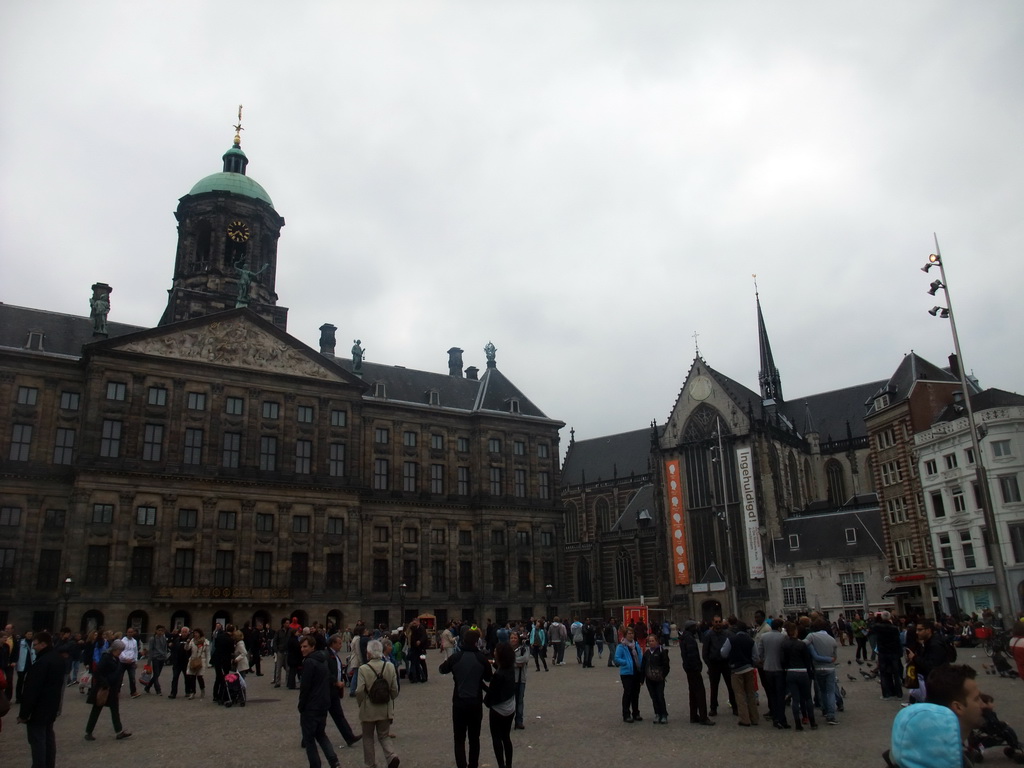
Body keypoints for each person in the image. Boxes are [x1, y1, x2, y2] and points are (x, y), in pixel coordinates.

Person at [439, 627, 492, 768]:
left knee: (459, 739)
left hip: (459, 703)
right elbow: (488, 677)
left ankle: (461, 766)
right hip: (475, 703)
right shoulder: (481, 658)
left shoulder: (456, 657)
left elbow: (442, 669)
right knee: (474, 739)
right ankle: (473, 765)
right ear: (476, 642)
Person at [17, 630, 66, 767]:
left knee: (38, 741)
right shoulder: (58, 659)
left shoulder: (42, 662)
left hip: (38, 709)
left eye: (36, 644)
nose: (34, 647)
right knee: (48, 738)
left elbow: (32, 690)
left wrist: (24, 714)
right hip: (51, 706)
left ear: (44, 644)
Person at [356, 639, 400, 768]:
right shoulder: (389, 666)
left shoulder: (363, 669)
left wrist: (361, 703)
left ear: (368, 653)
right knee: (384, 736)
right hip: (385, 707)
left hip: (368, 708)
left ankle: (371, 764)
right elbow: (394, 689)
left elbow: (359, 690)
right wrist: (391, 698)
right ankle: (392, 756)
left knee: (368, 737)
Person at [297, 635, 339, 768]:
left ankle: (315, 765)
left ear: (312, 647)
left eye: (305, 646)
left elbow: (305, 687)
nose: (302, 649)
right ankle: (334, 762)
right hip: (323, 703)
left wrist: (301, 705)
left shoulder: (309, 662)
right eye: (301, 646)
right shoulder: (322, 660)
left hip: (311, 705)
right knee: (321, 734)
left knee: (309, 739)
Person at [84, 639, 131, 741]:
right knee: (96, 709)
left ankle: (119, 731)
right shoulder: (106, 658)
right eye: (120, 650)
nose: (121, 652)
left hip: (113, 688)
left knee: (115, 710)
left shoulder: (116, 659)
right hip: (104, 687)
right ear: (115, 649)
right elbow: (97, 672)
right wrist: (104, 684)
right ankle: (88, 731)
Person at [326, 633, 361, 749]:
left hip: (334, 691)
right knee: (319, 716)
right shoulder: (327, 655)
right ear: (333, 644)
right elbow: (325, 672)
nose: (341, 645)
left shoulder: (334, 655)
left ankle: (349, 737)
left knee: (338, 715)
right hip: (327, 690)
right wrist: (335, 681)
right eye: (339, 643)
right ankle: (307, 738)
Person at [485, 641, 516, 768]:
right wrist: (492, 663)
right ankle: (508, 765)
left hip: (498, 709)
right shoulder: (509, 667)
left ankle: (501, 765)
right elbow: (500, 667)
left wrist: (481, 685)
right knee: (506, 737)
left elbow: (492, 693)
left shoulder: (499, 675)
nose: (494, 652)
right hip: (510, 706)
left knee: (496, 738)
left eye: (496, 651)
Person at [781, 621, 816, 730]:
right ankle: (812, 722)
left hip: (790, 672)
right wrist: (810, 674)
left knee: (795, 700)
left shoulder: (784, 645)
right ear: (795, 631)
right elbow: (807, 661)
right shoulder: (802, 644)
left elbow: (783, 661)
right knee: (807, 698)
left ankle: (797, 724)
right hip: (802, 672)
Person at [722, 623, 759, 726]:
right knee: (751, 694)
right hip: (749, 668)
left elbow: (723, 653)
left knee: (740, 695)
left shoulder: (731, 640)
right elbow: (756, 657)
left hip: (736, 670)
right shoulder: (751, 641)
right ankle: (754, 718)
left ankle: (745, 719)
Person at [804, 618, 839, 724]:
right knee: (830, 692)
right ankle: (831, 715)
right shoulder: (832, 639)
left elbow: (802, 644)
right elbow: (835, 656)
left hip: (818, 668)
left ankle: (824, 710)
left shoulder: (812, 636)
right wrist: (829, 659)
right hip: (830, 668)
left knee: (822, 691)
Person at [679, 620, 714, 726]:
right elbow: (692, 655)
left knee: (693, 692)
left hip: (689, 668)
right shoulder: (689, 638)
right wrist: (697, 667)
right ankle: (703, 717)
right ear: (690, 628)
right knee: (700, 693)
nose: (696, 628)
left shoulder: (685, 637)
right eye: (695, 627)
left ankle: (693, 715)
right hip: (693, 669)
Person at [702, 615, 737, 717]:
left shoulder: (727, 634)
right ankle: (713, 708)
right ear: (712, 623)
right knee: (714, 687)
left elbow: (732, 648)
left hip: (726, 663)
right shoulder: (708, 635)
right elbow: (705, 652)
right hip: (714, 664)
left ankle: (735, 706)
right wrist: (709, 664)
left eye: (719, 622)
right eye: (716, 622)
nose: (718, 624)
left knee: (731, 687)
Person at [614, 626, 645, 723]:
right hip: (627, 673)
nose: (631, 635)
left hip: (636, 671)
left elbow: (640, 656)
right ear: (625, 635)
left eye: (632, 633)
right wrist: (626, 662)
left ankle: (636, 712)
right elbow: (616, 658)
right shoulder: (621, 646)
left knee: (636, 693)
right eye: (629, 634)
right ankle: (626, 714)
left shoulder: (636, 645)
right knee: (628, 692)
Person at [641, 632, 670, 724]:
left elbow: (666, 665)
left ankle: (664, 714)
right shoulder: (647, 653)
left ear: (657, 641)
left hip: (659, 678)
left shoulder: (661, 652)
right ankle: (657, 713)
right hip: (649, 679)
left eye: (653, 641)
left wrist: (663, 675)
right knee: (653, 696)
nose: (651, 643)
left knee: (660, 696)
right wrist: (641, 679)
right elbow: (643, 666)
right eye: (649, 641)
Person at [510, 631, 529, 730]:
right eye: (512, 638)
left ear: (518, 639)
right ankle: (509, 721)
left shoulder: (524, 648)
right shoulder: (507, 649)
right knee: (510, 701)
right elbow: (506, 661)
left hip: (521, 679)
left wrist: (512, 661)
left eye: (515, 638)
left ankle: (519, 721)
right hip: (510, 679)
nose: (513, 639)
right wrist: (517, 663)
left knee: (520, 701)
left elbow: (525, 659)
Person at [144, 624, 169, 695]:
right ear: (156, 631)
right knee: (156, 673)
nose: (160, 632)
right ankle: (158, 689)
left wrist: (165, 656)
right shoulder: (153, 639)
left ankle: (148, 686)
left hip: (162, 658)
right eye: (159, 630)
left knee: (157, 675)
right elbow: (151, 650)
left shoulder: (163, 638)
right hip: (155, 658)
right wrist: (149, 661)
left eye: (162, 631)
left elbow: (165, 647)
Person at [185, 628, 209, 700]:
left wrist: (208, 663)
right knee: (192, 677)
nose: (195, 634)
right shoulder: (192, 641)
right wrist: (187, 643)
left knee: (199, 677)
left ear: (200, 634)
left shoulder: (205, 642)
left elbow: (207, 653)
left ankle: (202, 690)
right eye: (194, 633)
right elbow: (187, 648)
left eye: (197, 633)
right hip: (193, 659)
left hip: (201, 660)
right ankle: (193, 692)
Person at [166, 626, 189, 699]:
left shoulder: (190, 640)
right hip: (177, 662)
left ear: (188, 633)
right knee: (175, 678)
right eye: (183, 632)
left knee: (187, 678)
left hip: (186, 662)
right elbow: (172, 649)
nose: (184, 633)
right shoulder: (176, 639)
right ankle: (173, 693)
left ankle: (188, 691)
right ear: (181, 632)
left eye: (185, 632)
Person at [120, 627, 141, 698]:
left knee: (132, 677)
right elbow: (121, 651)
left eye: (132, 632)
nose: (130, 633)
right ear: (126, 633)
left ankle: (133, 692)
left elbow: (135, 651)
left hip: (131, 662)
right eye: (129, 632)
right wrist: (125, 658)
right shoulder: (123, 640)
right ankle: (116, 691)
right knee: (120, 677)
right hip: (123, 662)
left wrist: (135, 660)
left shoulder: (134, 641)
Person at [273, 618, 291, 688]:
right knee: (278, 667)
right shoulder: (279, 631)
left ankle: (287, 682)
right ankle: (277, 682)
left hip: (288, 651)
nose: (288, 624)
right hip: (280, 651)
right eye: (286, 623)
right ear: (283, 624)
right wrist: (276, 650)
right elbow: (275, 641)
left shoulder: (290, 631)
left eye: (288, 623)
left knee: (288, 668)